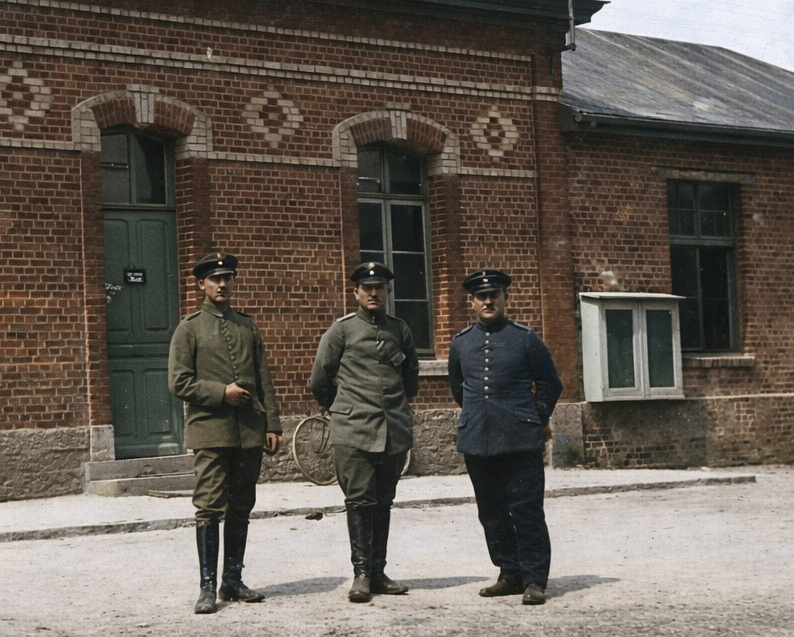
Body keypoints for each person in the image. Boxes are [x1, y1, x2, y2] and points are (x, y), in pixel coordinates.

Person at [168, 252, 283, 614]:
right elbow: (179, 381)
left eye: (227, 278)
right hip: (210, 432)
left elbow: (264, 378)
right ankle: (207, 587)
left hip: (248, 432)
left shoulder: (246, 326)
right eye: (214, 279)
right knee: (208, 508)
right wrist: (222, 393)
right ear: (200, 284)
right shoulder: (189, 328)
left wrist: (273, 424)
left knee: (241, 507)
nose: (222, 284)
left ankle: (232, 580)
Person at [447, 268, 564, 605]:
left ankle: (534, 579)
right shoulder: (461, 343)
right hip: (478, 442)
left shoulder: (525, 338)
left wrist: (532, 419)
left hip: (520, 441)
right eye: (481, 296)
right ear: (471, 302)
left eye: (493, 295)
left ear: (504, 299)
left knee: (526, 510)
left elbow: (550, 383)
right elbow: (460, 388)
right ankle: (509, 573)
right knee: (492, 512)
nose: (487, 300)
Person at [309, 261, 421, 603]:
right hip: (353, 432)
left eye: (380, 287)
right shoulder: (341, 331)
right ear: (356, 292)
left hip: (392, 431)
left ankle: (378, 572)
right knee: (359, 501)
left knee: (384, 501)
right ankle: (360, 574)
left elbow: (410, 379)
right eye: (366, 288)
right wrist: (344, 409)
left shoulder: (399, 330)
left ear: (387, 291)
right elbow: (319, 381)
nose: (373, 293)